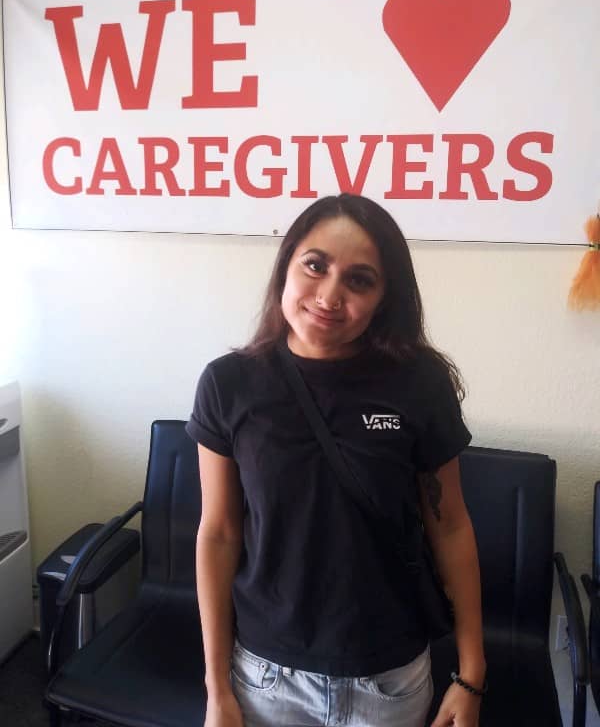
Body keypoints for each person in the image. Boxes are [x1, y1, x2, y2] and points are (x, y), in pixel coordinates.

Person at [186, 194, 485, 727]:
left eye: (359, 280)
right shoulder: (228, 384)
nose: (329, 296)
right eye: (315, 265)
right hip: (264, 676)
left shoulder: (418, 383)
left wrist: (471, 676)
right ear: (287, 265)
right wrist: (217, 689)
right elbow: (219, 534)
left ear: (383, 298)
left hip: (388, 680)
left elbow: (452, 527)